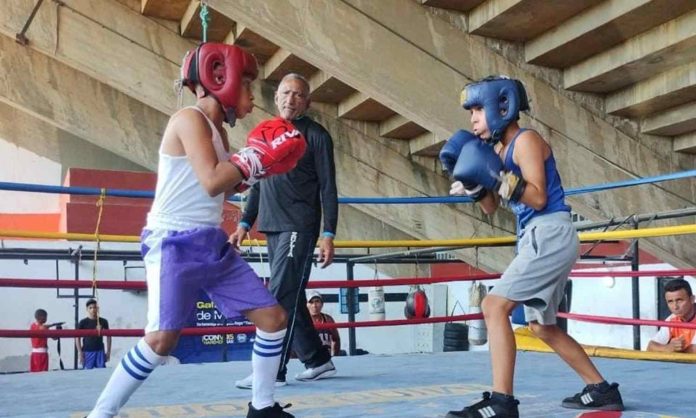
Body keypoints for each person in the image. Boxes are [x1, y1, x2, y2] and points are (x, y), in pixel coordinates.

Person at [85, 43, 306, 418]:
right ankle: (100, 414)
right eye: (248, 84)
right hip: (173, 243)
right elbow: (210, 180)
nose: (253, 96)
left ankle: (262, 407)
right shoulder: (188, 119)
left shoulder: (219, 134)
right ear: (223, 79)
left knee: (274, 319)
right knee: (160, 341)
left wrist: (255, 170)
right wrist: (251, 161)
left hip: (210, 243)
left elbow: (225, 184)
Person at [440, 76, 624, 417]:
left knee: (494, 306)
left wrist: (494, 177)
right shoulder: (496, 152)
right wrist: (473, 184)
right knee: (542, 326)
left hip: (550, 232)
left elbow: (538, 197)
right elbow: (492, 207)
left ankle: (502, 403)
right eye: (471, 112)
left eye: (479, 109)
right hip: (536, 237)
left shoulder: (526, 141)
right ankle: (601, 390)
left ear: (502, 106)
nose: (473, 119)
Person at [232, 73, 339, 387]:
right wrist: (242, 223)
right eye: (286, 93)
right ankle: (318, 360)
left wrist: (328, 233)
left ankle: (272, 371)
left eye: (298, 94)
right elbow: (256, 183)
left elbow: (329, 188)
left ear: (307, 101)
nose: (291, 99)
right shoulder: (266, 133)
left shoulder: (317, 136)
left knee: (277, 297)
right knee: (291, 297)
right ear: (276, 97)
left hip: (299, 226)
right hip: (272, 226)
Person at [647, 278, 696, 353]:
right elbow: (650, 346)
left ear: (692, 299)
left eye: (679, 300)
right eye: (670, 301)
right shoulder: (672, 318)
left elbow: (694, 350)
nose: (675, 306)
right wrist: (669, 347)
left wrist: (673, 350)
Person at [76, 299, 111, 369]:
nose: (93, 310)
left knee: (101, 372)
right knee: (87, 373)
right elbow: (77, 338)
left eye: (95, 307)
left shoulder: (103, 321)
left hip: (100, 350)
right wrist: (80, 353)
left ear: (97, 308)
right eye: (90, 308)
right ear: (87, 309)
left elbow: (109, 337)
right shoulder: (83, 322)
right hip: (87, 351)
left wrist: (108, 352)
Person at [306, 290, 341, 356]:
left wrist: (335, 356)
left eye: (317, 301)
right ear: (307, 305)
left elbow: (336, 339)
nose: (314, 305)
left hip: (325, 357)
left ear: (322, 304)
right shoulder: (303, 321)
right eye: (311, 302)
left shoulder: (328, 319)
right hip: (310, 358)